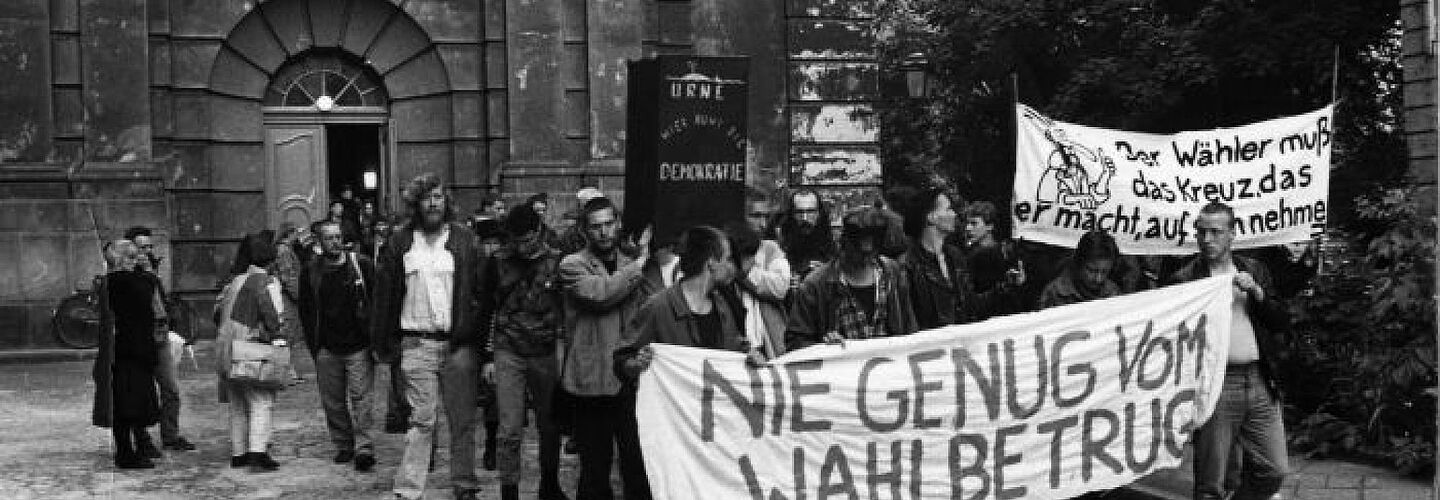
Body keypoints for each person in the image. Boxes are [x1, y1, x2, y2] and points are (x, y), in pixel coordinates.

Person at [371, 173, 487, 500]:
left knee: (462, 419)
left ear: (446, 201)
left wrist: (475, 338)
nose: (433, 204)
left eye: (437, 197)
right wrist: (385, 343)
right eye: (426, 198)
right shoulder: (400, 242)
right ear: (416, 204)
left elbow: (480, 293)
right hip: (416, 343)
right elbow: (384, 295)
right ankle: (409, 489)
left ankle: (464, 485)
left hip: (457, 345)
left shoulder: (465, 240)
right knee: (422, 419)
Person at [1168, 201, 1291, 500]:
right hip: (1216, 383)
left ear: (1232, 234)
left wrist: (1257, 293)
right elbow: (1174, 338)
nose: (1206, 239)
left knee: (1273, 470)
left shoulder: (1253, 270)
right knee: (1212, 481)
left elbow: (1280, 321)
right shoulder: (1186, 279)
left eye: (1215, 232)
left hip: (1259, 379)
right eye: (1201, 231)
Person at [558, 197, 653, 500]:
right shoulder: (572, 265)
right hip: (592, 381)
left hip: (631, 378)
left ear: (618, 224)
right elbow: (601, 294)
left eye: (609, 224)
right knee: (595, 471)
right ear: (585, 230)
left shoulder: (630, 263)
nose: (603, 232)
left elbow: (653, 306)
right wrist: (638, 265)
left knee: (637, 466)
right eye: (596, 226)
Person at [479, 204, 570, 500]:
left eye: (528, 240)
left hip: (545, 350)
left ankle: (550, 484)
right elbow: (487, 309)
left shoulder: (557, 261)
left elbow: (566, 310)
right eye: (516, 241)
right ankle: (509, 490)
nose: (522, 247)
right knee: (509, 428)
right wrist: (487, 357)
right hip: (508, 349)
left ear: (539, 231)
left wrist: (565, 353)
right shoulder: (498, 262)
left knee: (550, 423)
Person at [615, 225, 751, 379]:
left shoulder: (723, 307)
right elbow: (622, 360)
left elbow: (733, 352)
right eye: (728, 259)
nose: (731, 267)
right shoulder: (659, 307)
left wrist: (748, 355)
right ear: (712, 261)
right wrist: (636, 364)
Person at [299, 221, 378, 472]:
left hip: (358, 345)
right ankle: (344, 444)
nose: (335, 242)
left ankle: (364, 447)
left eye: (338, 237)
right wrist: (315, 345)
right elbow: (306, 310)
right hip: (327, 347)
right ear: (319, 242)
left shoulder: (361, 265)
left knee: (361, 399)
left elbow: (376, 300)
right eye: (329, 238)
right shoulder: (311, 271)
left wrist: (375, 338)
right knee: (332, 402)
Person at [889, 186, 1025, 330]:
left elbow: (971, 306)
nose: (954, 214)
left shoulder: (955, 257)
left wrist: (1007, 286)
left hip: (961, 342)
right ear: (931, 217)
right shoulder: (906, 266)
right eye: (948, 209)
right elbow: (906, 324)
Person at [785, 208, 918, 350]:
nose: (865, 257)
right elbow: (795, 342)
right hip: (839, 363)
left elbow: (910, 331)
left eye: (872, 251)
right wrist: (824, 347)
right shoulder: (815, 285)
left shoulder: (893, 274)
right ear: (844, 242)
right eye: (859, 250)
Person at [215, 231, 286, 472]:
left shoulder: (235, 281)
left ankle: (239, 454)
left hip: (226, 348)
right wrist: (279, 340)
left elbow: (217, 313)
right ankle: (258, 452)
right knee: (261, 401)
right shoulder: (265, 282)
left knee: (237, 403)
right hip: (251, 348)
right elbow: (272, 317)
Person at [122, 226, 197, 452]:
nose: (147, 251)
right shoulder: (125, 274)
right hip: (139, 339)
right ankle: (142, 439)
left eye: (149, 246)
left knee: (170, 389)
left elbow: (160, 301)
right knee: (140, 392)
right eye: (142, 247)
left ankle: (170, 436)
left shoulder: (152, 270)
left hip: (160, 335)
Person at [93, 239, 164, 469]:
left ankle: (132, 449)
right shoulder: (124, 281)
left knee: (126, 404)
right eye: (132, 257)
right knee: (129, 404)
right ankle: (126, 453)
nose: (136, 261)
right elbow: (147, 291)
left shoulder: (111, 282)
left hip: (122, 350)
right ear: (122, 259)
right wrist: (148, 271)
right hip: (130, 351)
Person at [726, 223, 790, 360]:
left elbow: (780, 287)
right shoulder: (724, 257)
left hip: (768, 339)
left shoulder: (769, 249)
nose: (762, 223)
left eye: (765, 217)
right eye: (755, 216)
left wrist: (747, 272)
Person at [1038, 230, 1121, 309]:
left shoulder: (1113, 293)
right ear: (1079, 264)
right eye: (1092, 271)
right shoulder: (1054, 293)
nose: (1098, 279)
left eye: (1104, 272)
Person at [270, 224, 307, 383]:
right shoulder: (284, 251)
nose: (297, 236)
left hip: (286, 297)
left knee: (289, 335)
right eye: (296, 232)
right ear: (289, 233)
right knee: (288, 334)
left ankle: (289, 372)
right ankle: (287, 373)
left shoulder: (283, 250)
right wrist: (299, 297)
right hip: (287, 299)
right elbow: (288, 277)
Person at [773, 188, 835, 280]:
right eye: (799, 212)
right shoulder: (778, 243)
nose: (805, 218)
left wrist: (825, 273)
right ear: (792, 215)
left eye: (810, 211)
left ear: (819, 214)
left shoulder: (832, 243)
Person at [961, 201, 1012, 294]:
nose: (968, 228)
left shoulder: (1001, 252)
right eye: (967, 223)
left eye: (974, 223)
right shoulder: (970, 253)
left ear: (989, 226)